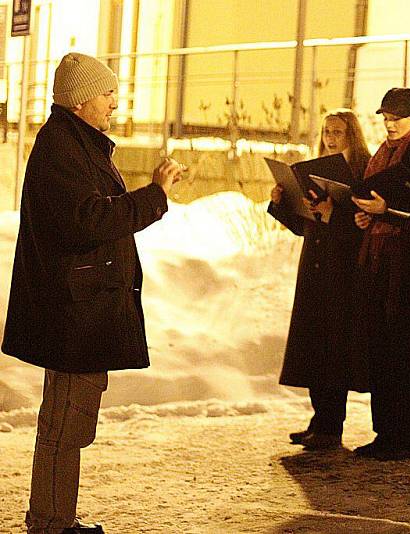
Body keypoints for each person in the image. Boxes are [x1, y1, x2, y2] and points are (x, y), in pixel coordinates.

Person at [1, 52, 184, 534]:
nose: (114, 103)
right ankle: (50, 522)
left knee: (70, 421)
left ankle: (55, 518)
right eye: (106, 93)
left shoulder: (75, 143)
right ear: (81, 100)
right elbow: (89, 220)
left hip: (81, 309)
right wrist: (155, 194)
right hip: (73, 313)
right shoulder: (63, 148)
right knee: (65, 423)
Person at [351, 88, 410, 461]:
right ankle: (385, 431)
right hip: (378, 252)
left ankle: (405, 434)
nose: (390, 124)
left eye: (397, 117)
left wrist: (386, 210)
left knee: (401, 345)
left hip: (407, 256)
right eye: (386, 117)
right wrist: (366, 214)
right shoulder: (383, 152)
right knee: (380, 344)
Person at [268, 109, 371, 450]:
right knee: (313, 346)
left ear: (351, 135)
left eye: (338, 132)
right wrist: (283, 203)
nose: (330, 137)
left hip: (342, 270)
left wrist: (333, 215)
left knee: (333, 349)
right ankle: (319, 420)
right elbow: (303, 224)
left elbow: (360, 226)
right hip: (314, 266)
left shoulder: (360, 172)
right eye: (327, 130)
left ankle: (331, 425)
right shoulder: (316, 169)